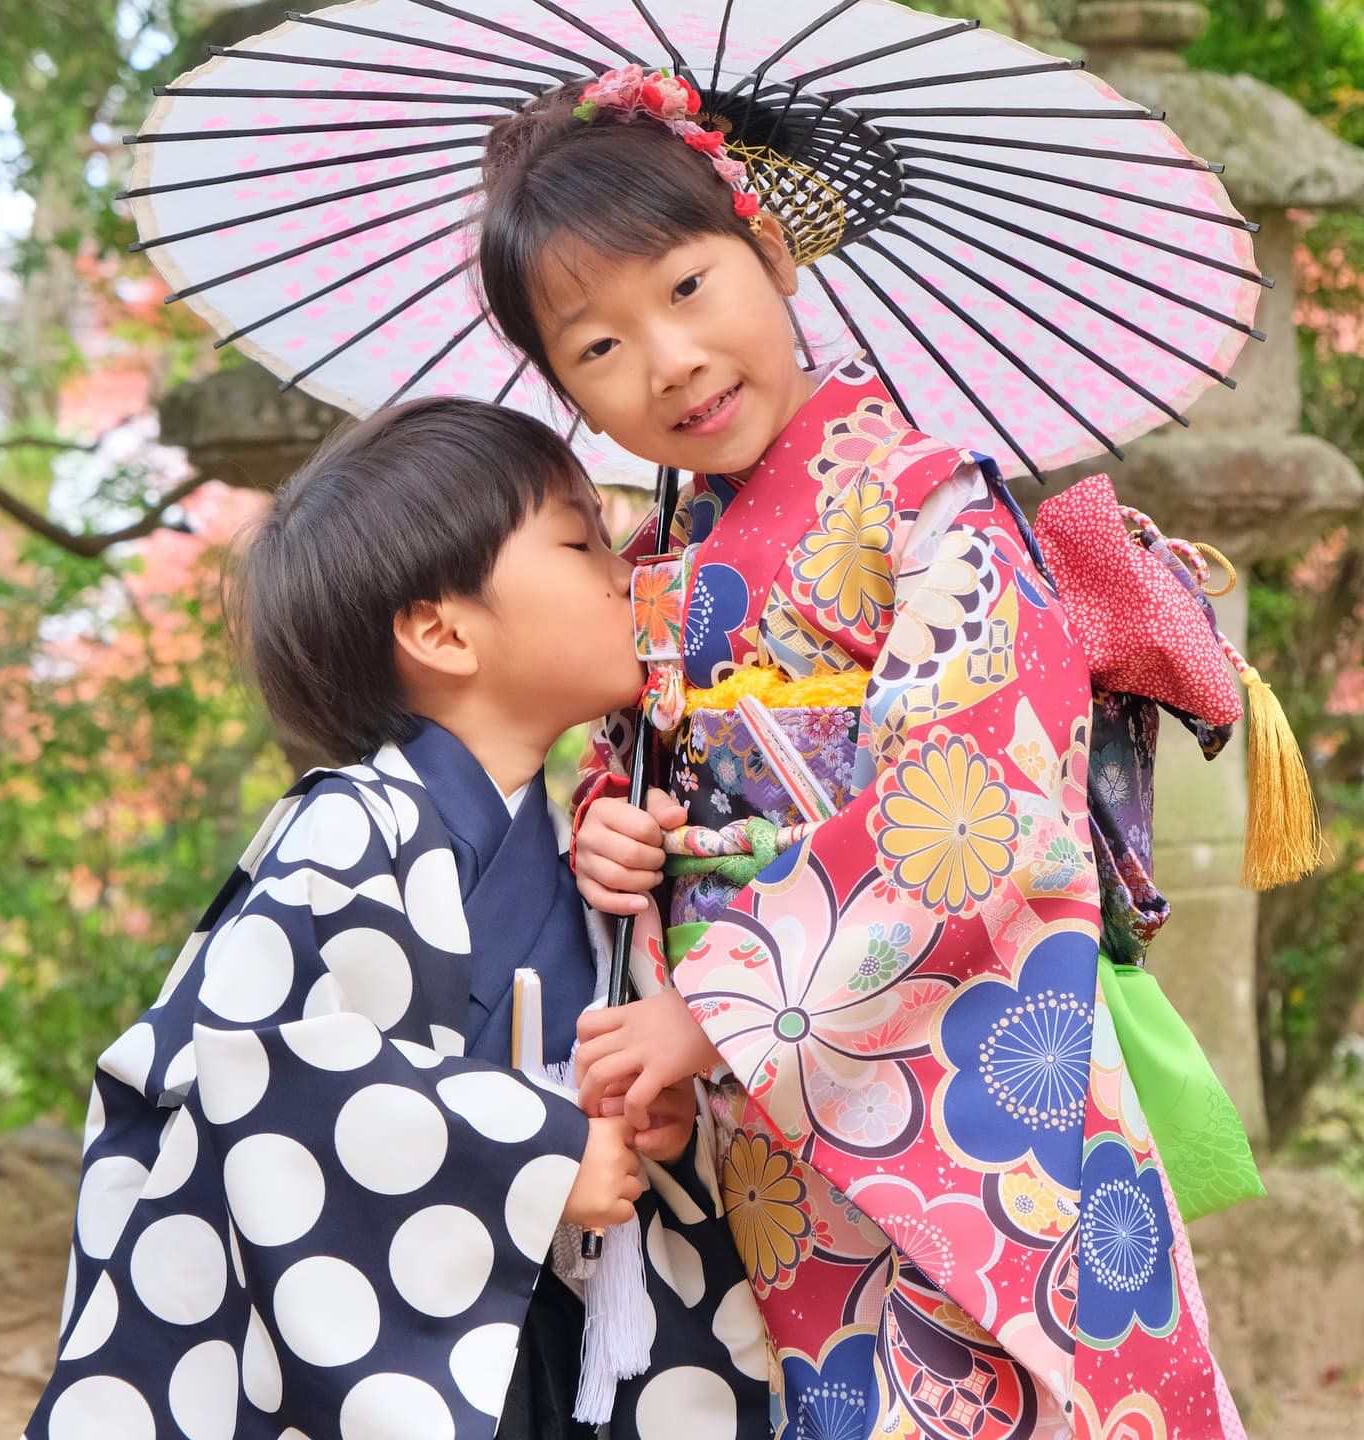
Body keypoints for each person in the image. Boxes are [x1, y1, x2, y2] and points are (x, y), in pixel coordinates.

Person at [476, 67, 1250, 1440]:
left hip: (945, 1061)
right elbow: (637, 767)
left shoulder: (924, 494)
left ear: (769, 250)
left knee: (1012, 1394)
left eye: (687, 287)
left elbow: (985, 807)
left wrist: (714, 1013)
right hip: (754, 1106)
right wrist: (614, 822)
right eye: (595, 348)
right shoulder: (655, 558)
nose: (665, 360)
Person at [25, 397, 770, 1440]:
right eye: (579, 539)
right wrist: (538, 1151)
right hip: (398, 1360)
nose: (625, 571)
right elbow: (254, 1071)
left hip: (536, 1343)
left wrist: (648, 1119)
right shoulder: (346, 827)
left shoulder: (578, 851)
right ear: (440, 629)